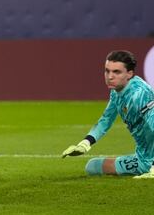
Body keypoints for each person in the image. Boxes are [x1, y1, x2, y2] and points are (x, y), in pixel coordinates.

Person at [62, 50, 154, 178]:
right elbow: (106, 120)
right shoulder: (117, 92)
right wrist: (85, 143)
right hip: (143, 158)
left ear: (130, 73)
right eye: (107, 70)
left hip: (151, 161)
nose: (110, 76)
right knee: (92, 166)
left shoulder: (139, 94)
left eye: (116, 72)